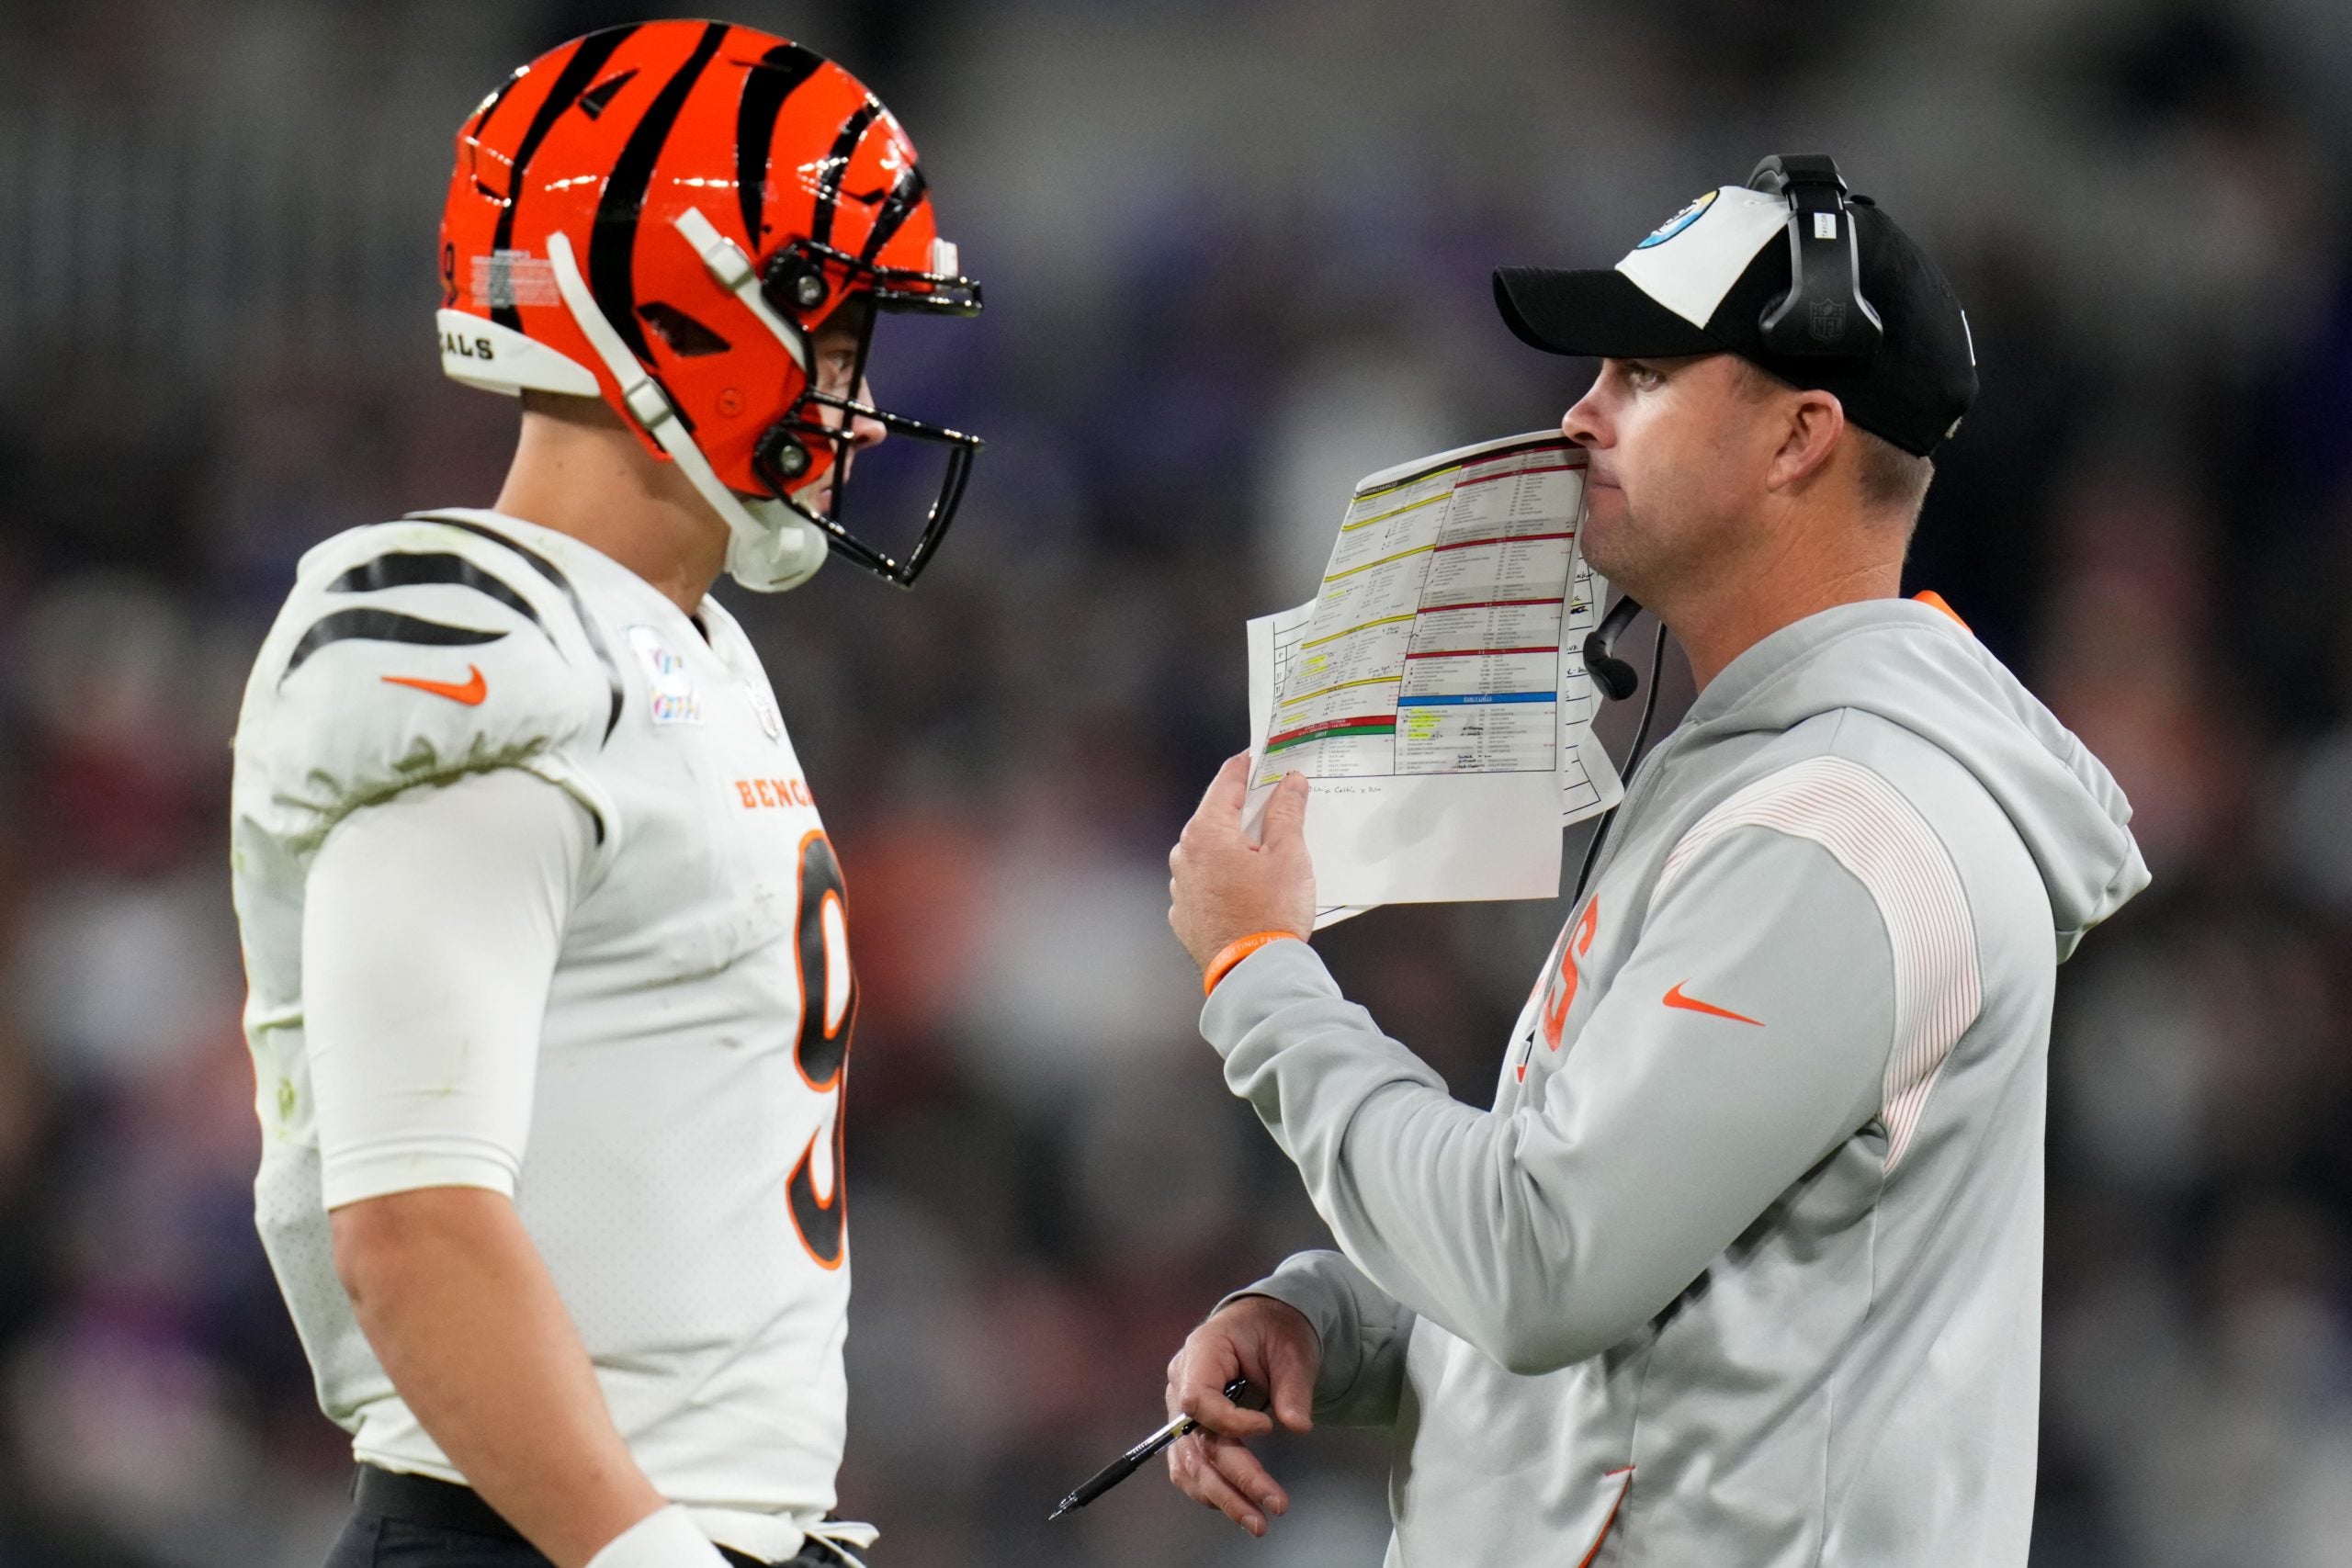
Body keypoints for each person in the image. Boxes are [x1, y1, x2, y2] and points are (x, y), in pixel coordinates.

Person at [1159, 158, 2149, 1564]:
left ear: (1799, 437)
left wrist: (1259, 976)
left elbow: (1545, 1260)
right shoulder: (1753, 774)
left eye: (1640, 371)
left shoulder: (1851, 830)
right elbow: (1645, 1303)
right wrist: (1339, 1321)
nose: (1580, 415)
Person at [229, 22, 983, 1568]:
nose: (856, 394)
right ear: (678, 309)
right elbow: (411, 1225)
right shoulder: (479, 642)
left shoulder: (685, 643)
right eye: (834, 333)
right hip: (540, 1538)